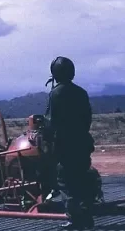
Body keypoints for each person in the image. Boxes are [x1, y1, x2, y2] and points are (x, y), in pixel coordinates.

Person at [44, 56, 96, 230]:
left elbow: (51, 123)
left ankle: (75, 219)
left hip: (65, 147)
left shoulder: (56, 93)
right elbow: (87, 118)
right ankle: (87, 216)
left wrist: (48, 138)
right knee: (82, 179)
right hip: (82, 144)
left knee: (66, 182)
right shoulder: (81, 92)